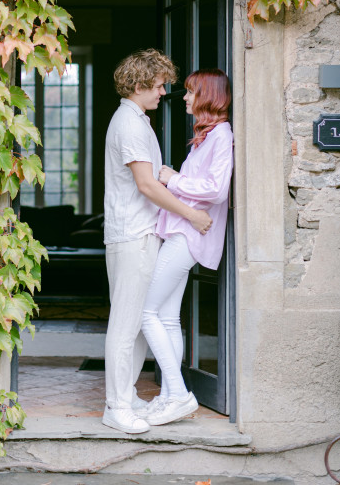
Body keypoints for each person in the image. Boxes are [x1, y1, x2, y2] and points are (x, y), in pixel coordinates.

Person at [102, 49, 213, 435]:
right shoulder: (130, 124)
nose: (164, 92)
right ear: (138, 85)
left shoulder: (137, 121)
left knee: (135, 324)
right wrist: (193, 214)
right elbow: (147, 184)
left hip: (141, 233)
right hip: (133, 234)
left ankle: (126, 395)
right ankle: (116, 406)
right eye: (159, 85)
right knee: (126, 323)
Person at [139, 68, 233, 427]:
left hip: (187, 236)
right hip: (181, 231)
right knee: (166, 317)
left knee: (147, 313)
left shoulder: (221, 135)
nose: (184, 96)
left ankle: (177, 394)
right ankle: (168, 396)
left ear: (208, 95)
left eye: (191, 91)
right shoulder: (207, 137)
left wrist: (172, 178)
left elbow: (215, 189)